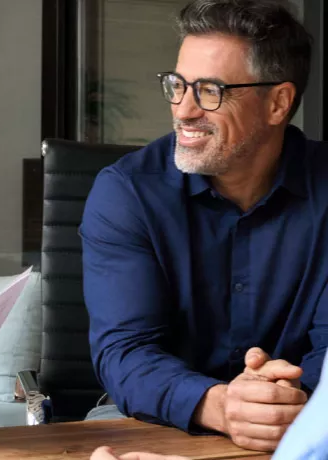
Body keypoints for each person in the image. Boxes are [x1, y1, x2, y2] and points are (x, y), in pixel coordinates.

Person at [80, 0, 328, 452]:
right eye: (178, 85)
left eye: (210, 90)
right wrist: (224, 406)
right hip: (150, 420)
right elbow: (126, 353)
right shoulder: (127, 193)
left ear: (278, 102)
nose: (184, 110)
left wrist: (286, 404)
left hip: (302, 425)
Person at [89, 350, 328, 460]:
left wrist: (289, 391)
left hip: (299, 408)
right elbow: (125, 350)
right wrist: (222, 405)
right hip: (143, 410)